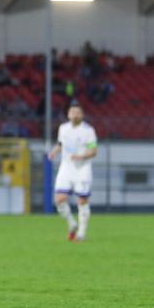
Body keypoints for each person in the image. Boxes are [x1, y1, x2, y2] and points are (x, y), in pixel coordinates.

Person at [47, 101, 97, 242]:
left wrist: (81, 156)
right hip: (66, 167)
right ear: (68, 114)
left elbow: (93, 151)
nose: (75, 115)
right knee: (59, 200)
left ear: (82, 115)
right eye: (72, 112)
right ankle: (72, 223)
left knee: (82, 200)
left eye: (77, 112)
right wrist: (54, 152)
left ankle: (81, 233)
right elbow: (61, 144)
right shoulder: (63, 128)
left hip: (82, 168)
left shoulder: (88, 130)